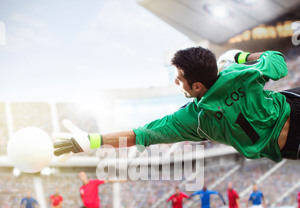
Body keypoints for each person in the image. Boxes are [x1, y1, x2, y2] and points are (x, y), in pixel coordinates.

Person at [53, 47, 299, 165]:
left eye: (179, 78)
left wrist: (91, 141)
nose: (176, 82)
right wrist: (240, 57)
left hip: (290, 145)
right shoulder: (238, 72)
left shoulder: (195, 119)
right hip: (293, 106)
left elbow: (140, 135)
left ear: (198, 86)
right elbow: (277, 61)